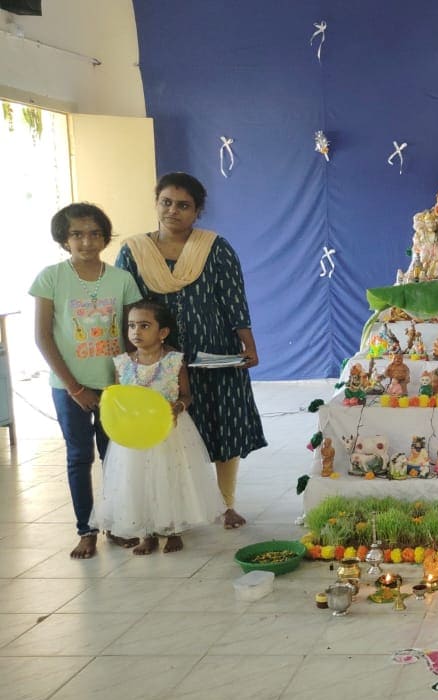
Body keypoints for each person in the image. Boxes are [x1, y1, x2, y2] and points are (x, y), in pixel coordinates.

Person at [116, 172, 267, 530]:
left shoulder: (214, 247)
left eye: (183, 205)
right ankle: (172, 509)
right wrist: (130, 360)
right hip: (158, 362)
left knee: (225, 425)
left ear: (197, 211)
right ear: (156, 203)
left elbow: (233, 300)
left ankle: (226, 504)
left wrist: (248, 343)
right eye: (166, 202)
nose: (173, 211)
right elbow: (126, 308)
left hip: (215, 355)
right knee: (169, 436)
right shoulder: (134, 251)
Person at [31, 203, 143, 559]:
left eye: (95, 234)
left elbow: (131, 336)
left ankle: (116, 524)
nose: (86, 241)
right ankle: (86, 530)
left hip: (114, 387)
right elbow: (43, 337)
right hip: (69, 388)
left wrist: (129, 382)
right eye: (77, 234)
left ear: (105, 238)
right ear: (64, 239)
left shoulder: (122, 280)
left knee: (115, 458)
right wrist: (75, 388)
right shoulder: (51, 277)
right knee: (79, 457)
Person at [93, 301, 222, 554]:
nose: (136, 332)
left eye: (144, 326)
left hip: (169, 433)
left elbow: (187, 395)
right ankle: (147, 533)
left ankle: (172, 529)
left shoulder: (174, 361)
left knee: (169, 478)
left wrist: (178, 407)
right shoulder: (122, 363)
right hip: (135, 436)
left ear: (162, 332)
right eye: (131, 326)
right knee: (137, 481)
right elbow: (119, 398)